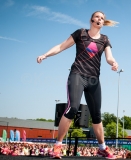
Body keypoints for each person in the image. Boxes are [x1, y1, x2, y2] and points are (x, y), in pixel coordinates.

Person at [37, 11, 119, 159]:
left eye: (102, 18)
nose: (100, 19)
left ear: (103, 22)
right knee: (72, 107)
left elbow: (109, 57)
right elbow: (61, 46)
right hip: (77, 75)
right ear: (91, 20)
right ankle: (57, 147)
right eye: (97, 17)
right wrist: (45, 54)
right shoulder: (81, 33)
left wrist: (113, 63)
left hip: (94, 79)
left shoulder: (105, 39)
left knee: (96, 115)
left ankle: (102, 148)